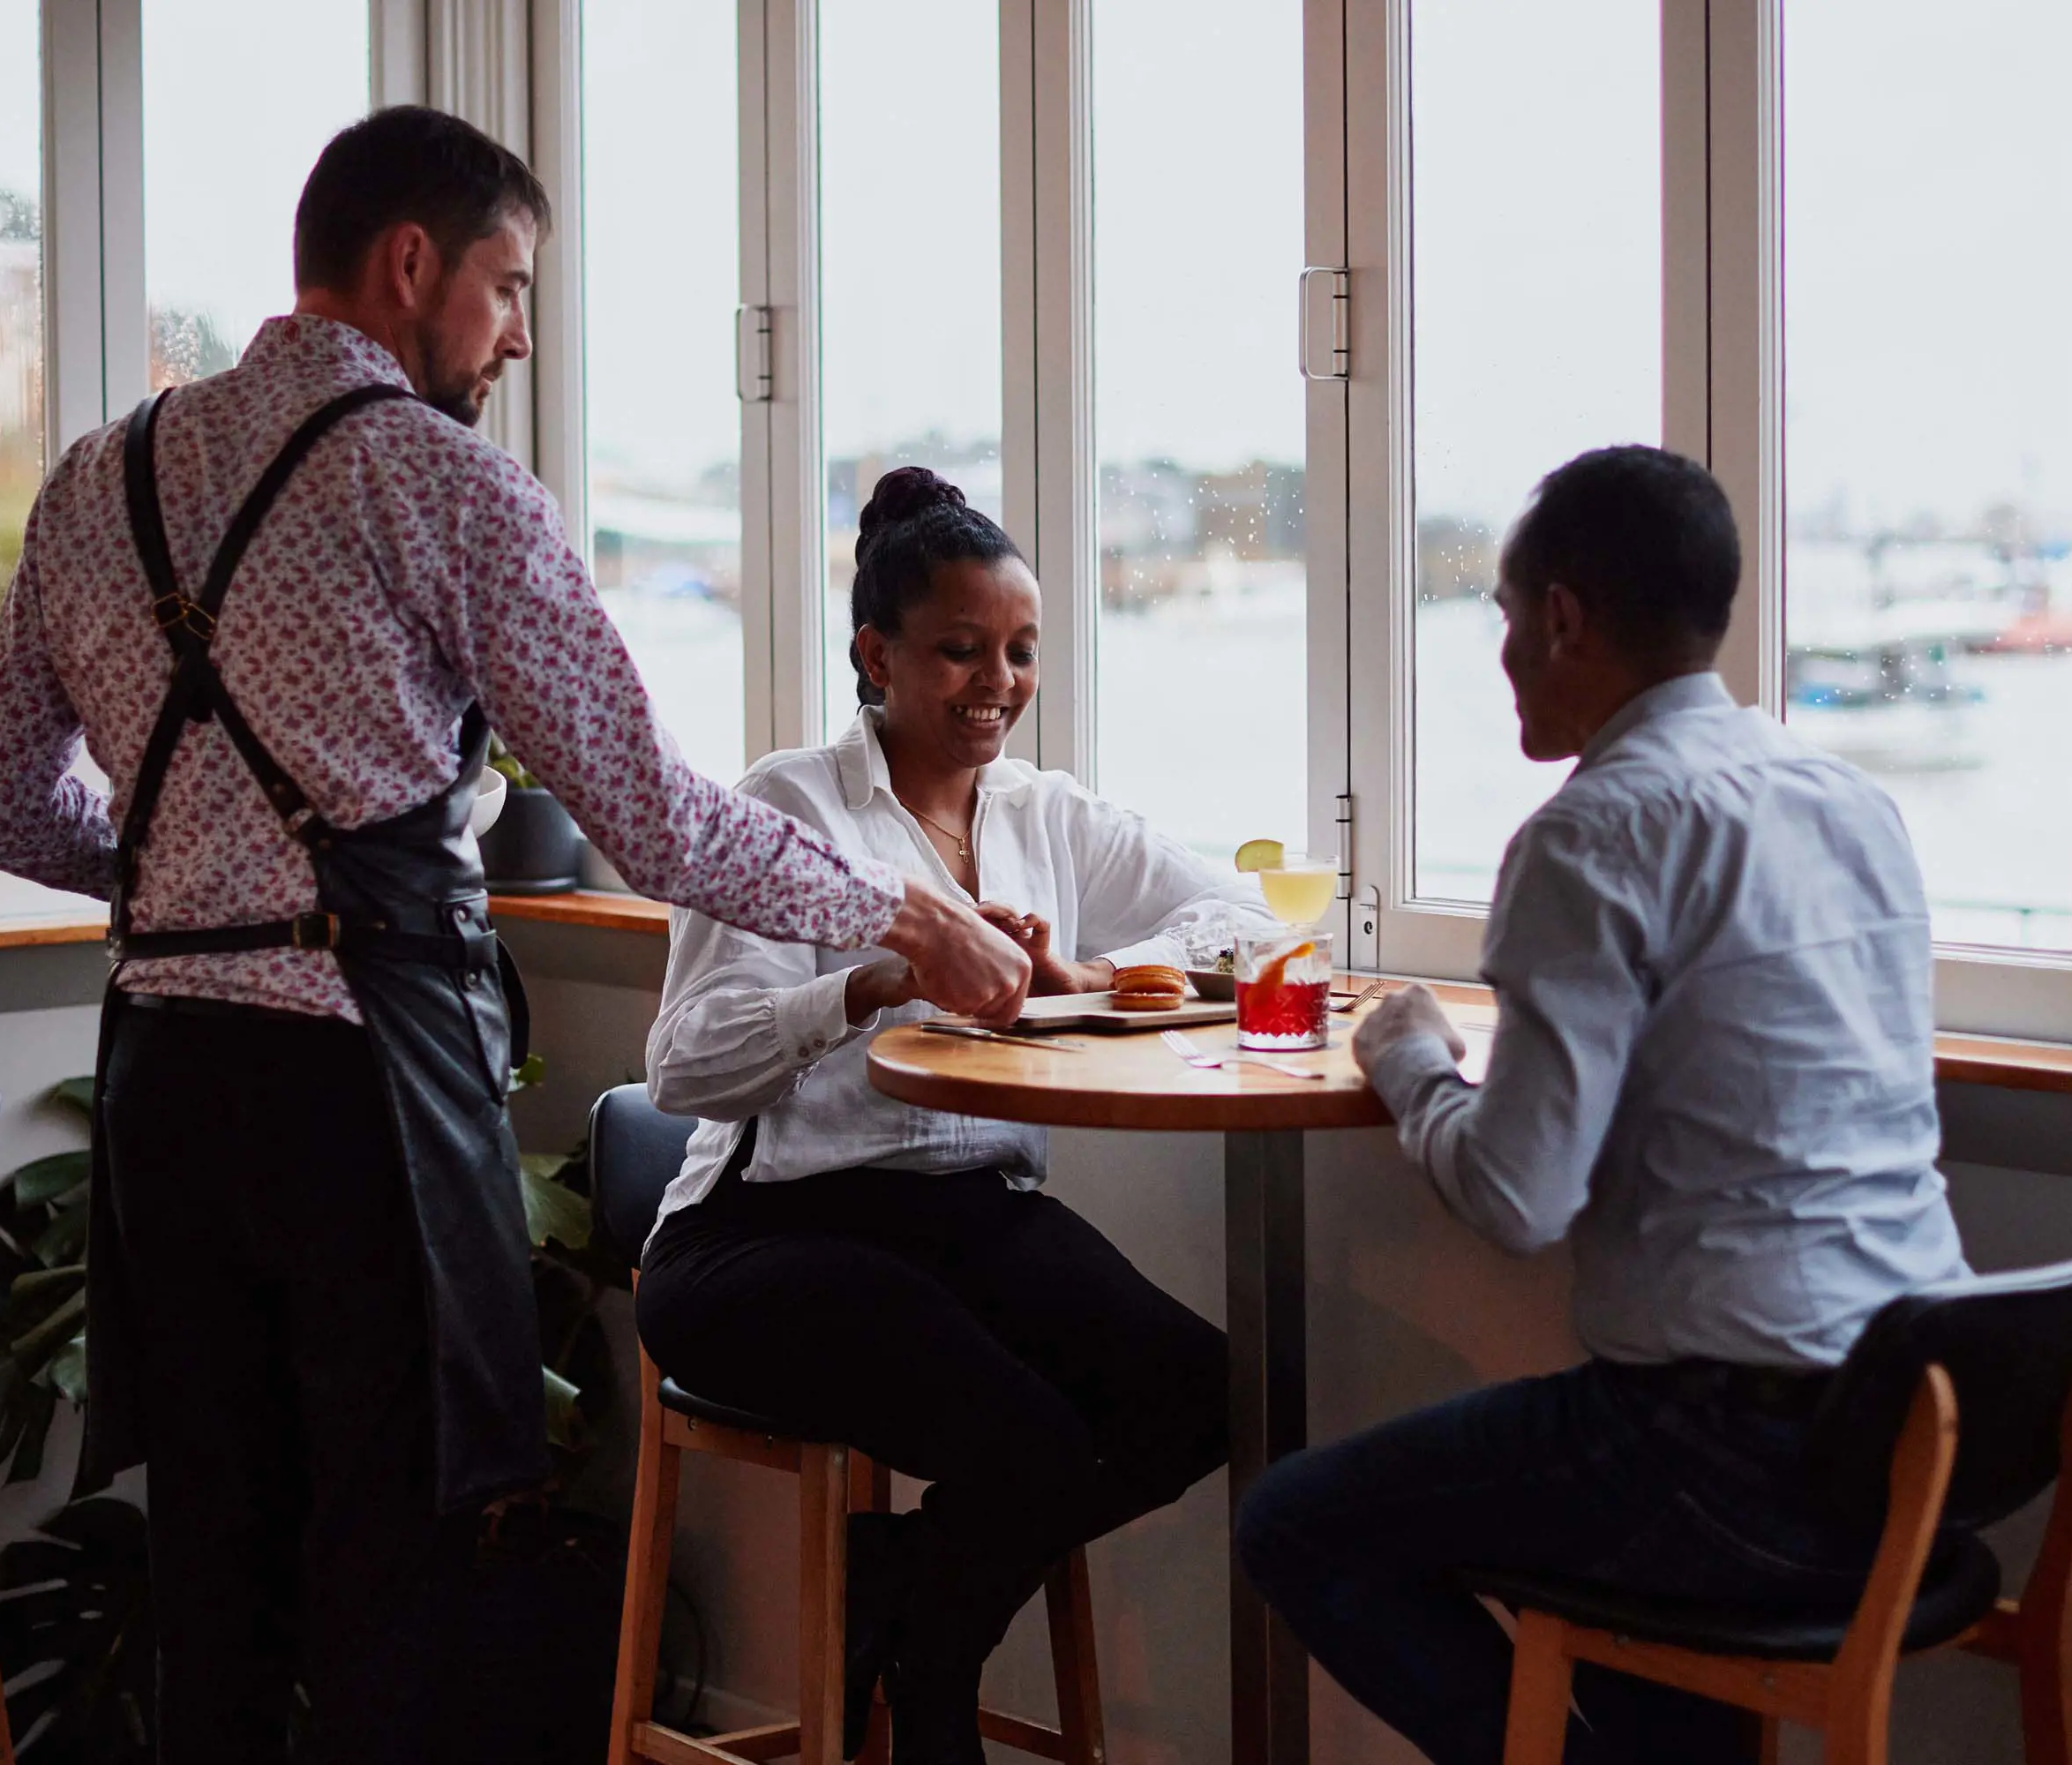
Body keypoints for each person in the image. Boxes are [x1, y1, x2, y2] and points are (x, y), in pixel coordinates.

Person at [0, 109, 1028, 1762]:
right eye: (509, 288)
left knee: (217, 1556)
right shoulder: (446, 486)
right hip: (356, 1093)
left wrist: (196, 886)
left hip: (162, 1083)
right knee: (395, 1557)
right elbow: (654, 818)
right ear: (409, 266)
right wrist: (903, 912)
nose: (517, 334)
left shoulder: (103, 476)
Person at [1231, 446, 1973, 1765]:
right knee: (1628, 1591)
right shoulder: (1849, 801)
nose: (1505, 653)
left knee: (1296, 1521)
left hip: (1729, 1458)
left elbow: (1518, 1199)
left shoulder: (1593, 832)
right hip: (1915, 1425)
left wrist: (1402, 1053)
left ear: (1560, 617)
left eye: (1507, 620)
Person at [639, 467, 1269, 1763]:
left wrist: (1089, 972)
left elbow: (1247, 921)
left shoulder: (1047, 815)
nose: (996, 683)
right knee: (1027, 1442)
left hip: (971, 1214)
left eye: (1020, 652)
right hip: (765, 1231)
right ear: (876, 653)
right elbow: (684, 1066)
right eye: (960, 651)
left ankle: (911, 1595)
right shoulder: (788, 813)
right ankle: (932, 1687)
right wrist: (870, 981)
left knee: (1202, 1395)